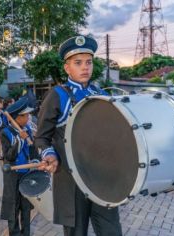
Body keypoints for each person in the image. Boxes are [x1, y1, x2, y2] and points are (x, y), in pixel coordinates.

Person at [35, 35, 122, 236]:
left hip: (101, 179)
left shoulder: (101, 94)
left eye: (89, 62)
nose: (85, 67)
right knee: (76, 232)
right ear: (67, 68)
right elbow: (41, 137)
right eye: (78, 63)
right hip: (71, 179)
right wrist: (49, 154)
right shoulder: (57, 95)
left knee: (111, 230)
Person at [0, 97, 35, 236]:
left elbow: (32, 150)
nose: (28, 117)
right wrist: (20, 139)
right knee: (13, 206)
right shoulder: (5, 132)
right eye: (25, 115)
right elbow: (9, 156)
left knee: (26, 207)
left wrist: (35, 160)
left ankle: (26, 232)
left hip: (26, 174)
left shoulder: (27, 129)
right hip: (13, 175)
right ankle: (14, 233)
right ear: (16, 118)